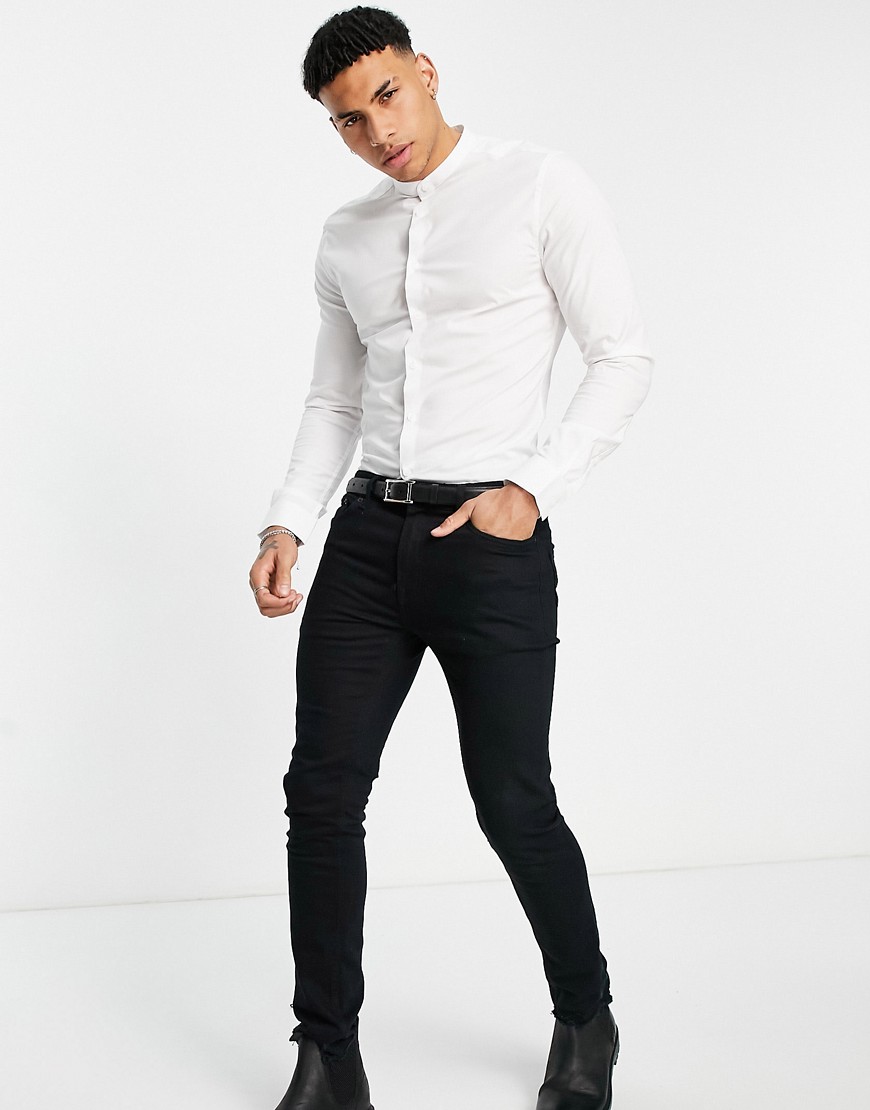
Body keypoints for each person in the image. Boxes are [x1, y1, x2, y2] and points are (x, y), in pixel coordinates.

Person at [249, 7, 654, 1109]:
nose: (377, 131)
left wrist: (534, 490)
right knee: (321, 792)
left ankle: (586, 1015)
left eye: (386, 96)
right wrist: (287, 522)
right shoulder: (347, 236)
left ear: (424, 71)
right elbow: (335, 400)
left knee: (512, 799)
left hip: (488, 539)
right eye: (347, 120)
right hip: (366, 539)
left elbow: (621, 356)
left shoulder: (539, 185)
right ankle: (327, 1055)